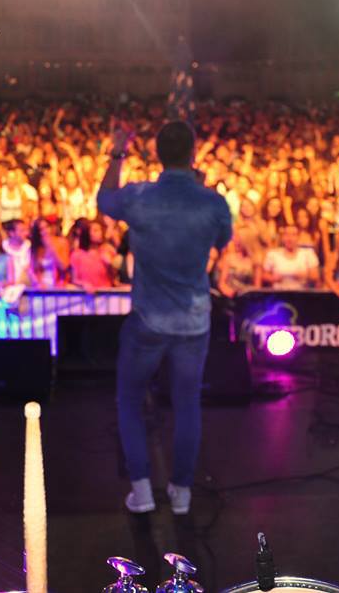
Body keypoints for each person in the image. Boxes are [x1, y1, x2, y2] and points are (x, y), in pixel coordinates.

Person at [97, 121, 232, 515]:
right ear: (193, 153)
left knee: (129, 401)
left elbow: (104, 200)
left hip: (149, 319)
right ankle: (182, 493)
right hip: (194, 320)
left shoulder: (139, 197)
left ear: (156, 153)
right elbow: (221, 241)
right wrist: (201, 192)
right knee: (188, 405)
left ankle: (141, 493)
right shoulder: (213, 203)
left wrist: (118, 152)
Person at [262, 224, 320, 289]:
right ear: (282, 238)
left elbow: (315, 275)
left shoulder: (308, 253)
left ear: (298, 237)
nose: (290, 238)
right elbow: (264, 275)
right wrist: (273, 278)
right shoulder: (273, 254)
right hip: (279, 293)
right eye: (287, 235)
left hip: (301, 293)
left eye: (293, 235)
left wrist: (305, 275)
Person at [70, 220, 116, 291]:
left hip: (105, 294)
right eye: (95, 230)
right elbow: (74, 279)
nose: (100, 233)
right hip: (87, 295)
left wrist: (110, 265)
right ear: (87, 233)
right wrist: (84, 284)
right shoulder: (77, 254)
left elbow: (114, 278)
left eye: (100, 230)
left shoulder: (107, 250)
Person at [217, 227, 261, 297]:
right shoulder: (229, 258)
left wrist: (246, 295)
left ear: (245, 240)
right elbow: (222, 283)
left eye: (237, 237)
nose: (234, 240)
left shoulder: (255, 261)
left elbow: (257, 287)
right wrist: (229, 292)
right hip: (229, 297)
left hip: (247, 298)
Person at [29, 218, 63, 288]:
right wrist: (39, 283)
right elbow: (32, 270)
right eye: (41, 229)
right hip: (41, 286)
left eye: (47, 227)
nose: (46, 231)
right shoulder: (36, 248)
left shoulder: (61, 242)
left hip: (58, 284)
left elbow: (63, 267)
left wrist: (52, 247)